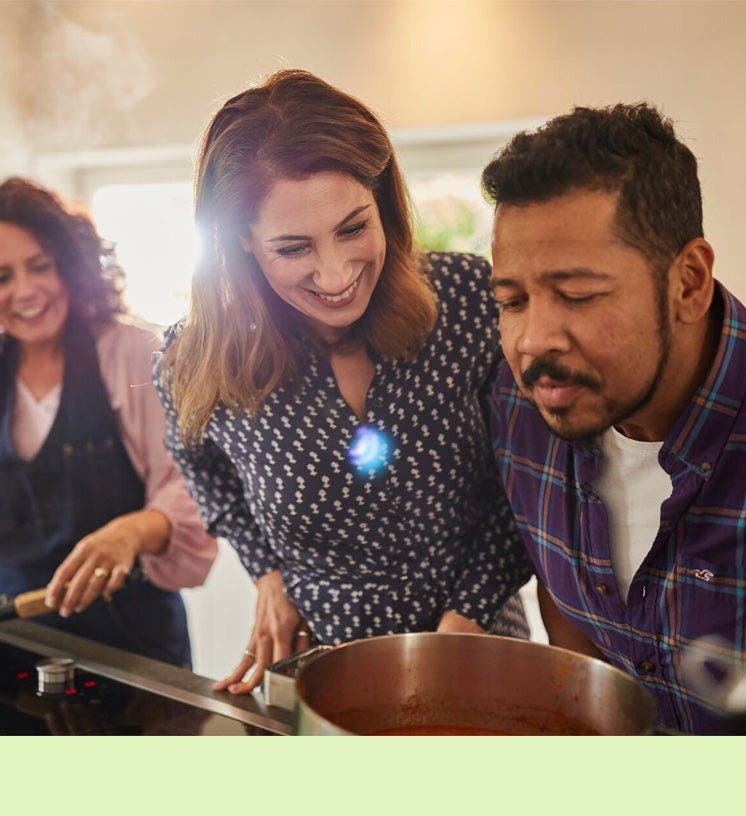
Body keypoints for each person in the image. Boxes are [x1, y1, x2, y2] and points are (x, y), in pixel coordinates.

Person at [156, 69, 533, 694]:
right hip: (321, 671)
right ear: (241, 242)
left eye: (354, 228)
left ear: (383, 201)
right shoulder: (195, 361)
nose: (335, 276)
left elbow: (530, 487)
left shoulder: (470, 302)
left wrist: (463, 621)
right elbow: (198, 464)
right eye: (293, 248)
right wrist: (268, 573)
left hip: (480, 649)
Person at [481, 103, 746, 734]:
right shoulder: (522, 412)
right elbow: (565, 598)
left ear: (689, 282)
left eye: (577, 295)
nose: (534, 341)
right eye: (512, 301)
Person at [0, 178, 217, 668]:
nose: (25, 291)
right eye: (0, 277)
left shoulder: (134, 354)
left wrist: (132, 532)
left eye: (40, 266)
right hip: (9, 634)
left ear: (70, 265)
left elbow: (186, 487)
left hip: (134, 642)